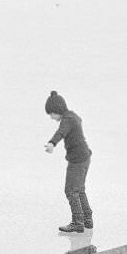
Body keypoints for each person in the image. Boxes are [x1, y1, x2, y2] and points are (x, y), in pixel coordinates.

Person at [43, 90, 93, 233]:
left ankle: (78, 222)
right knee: (79, 189)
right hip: (84, 157)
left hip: (77, 160)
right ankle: (87, 219)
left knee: (71, 190)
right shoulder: (73, 116)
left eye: (51, 114)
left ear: (57, 110)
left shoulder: (67, 120)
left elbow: (61, 132)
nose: (51, 117)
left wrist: (52, 143)